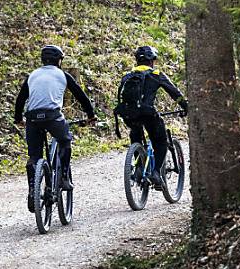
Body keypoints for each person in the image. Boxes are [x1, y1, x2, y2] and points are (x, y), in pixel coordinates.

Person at [14, 45, 97, 211]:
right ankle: (64, 177)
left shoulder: (33, 75)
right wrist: (91, 115)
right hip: (53, 116)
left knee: (34, 157)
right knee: (65, 140)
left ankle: (33, 190)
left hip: (32, 118)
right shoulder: (62, 75)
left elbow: (20, 99)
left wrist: (18, 119)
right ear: (59, 60)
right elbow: (81, 96)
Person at [114, 45, 188, 189]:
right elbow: (174, 92)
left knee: (135, 133)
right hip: (147, 113)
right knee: (160, 141)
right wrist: (185, 106)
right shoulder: (156, 74)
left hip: (128, 113)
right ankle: (155, 173)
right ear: (152, 60)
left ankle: (139, 166)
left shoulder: (128, 75)